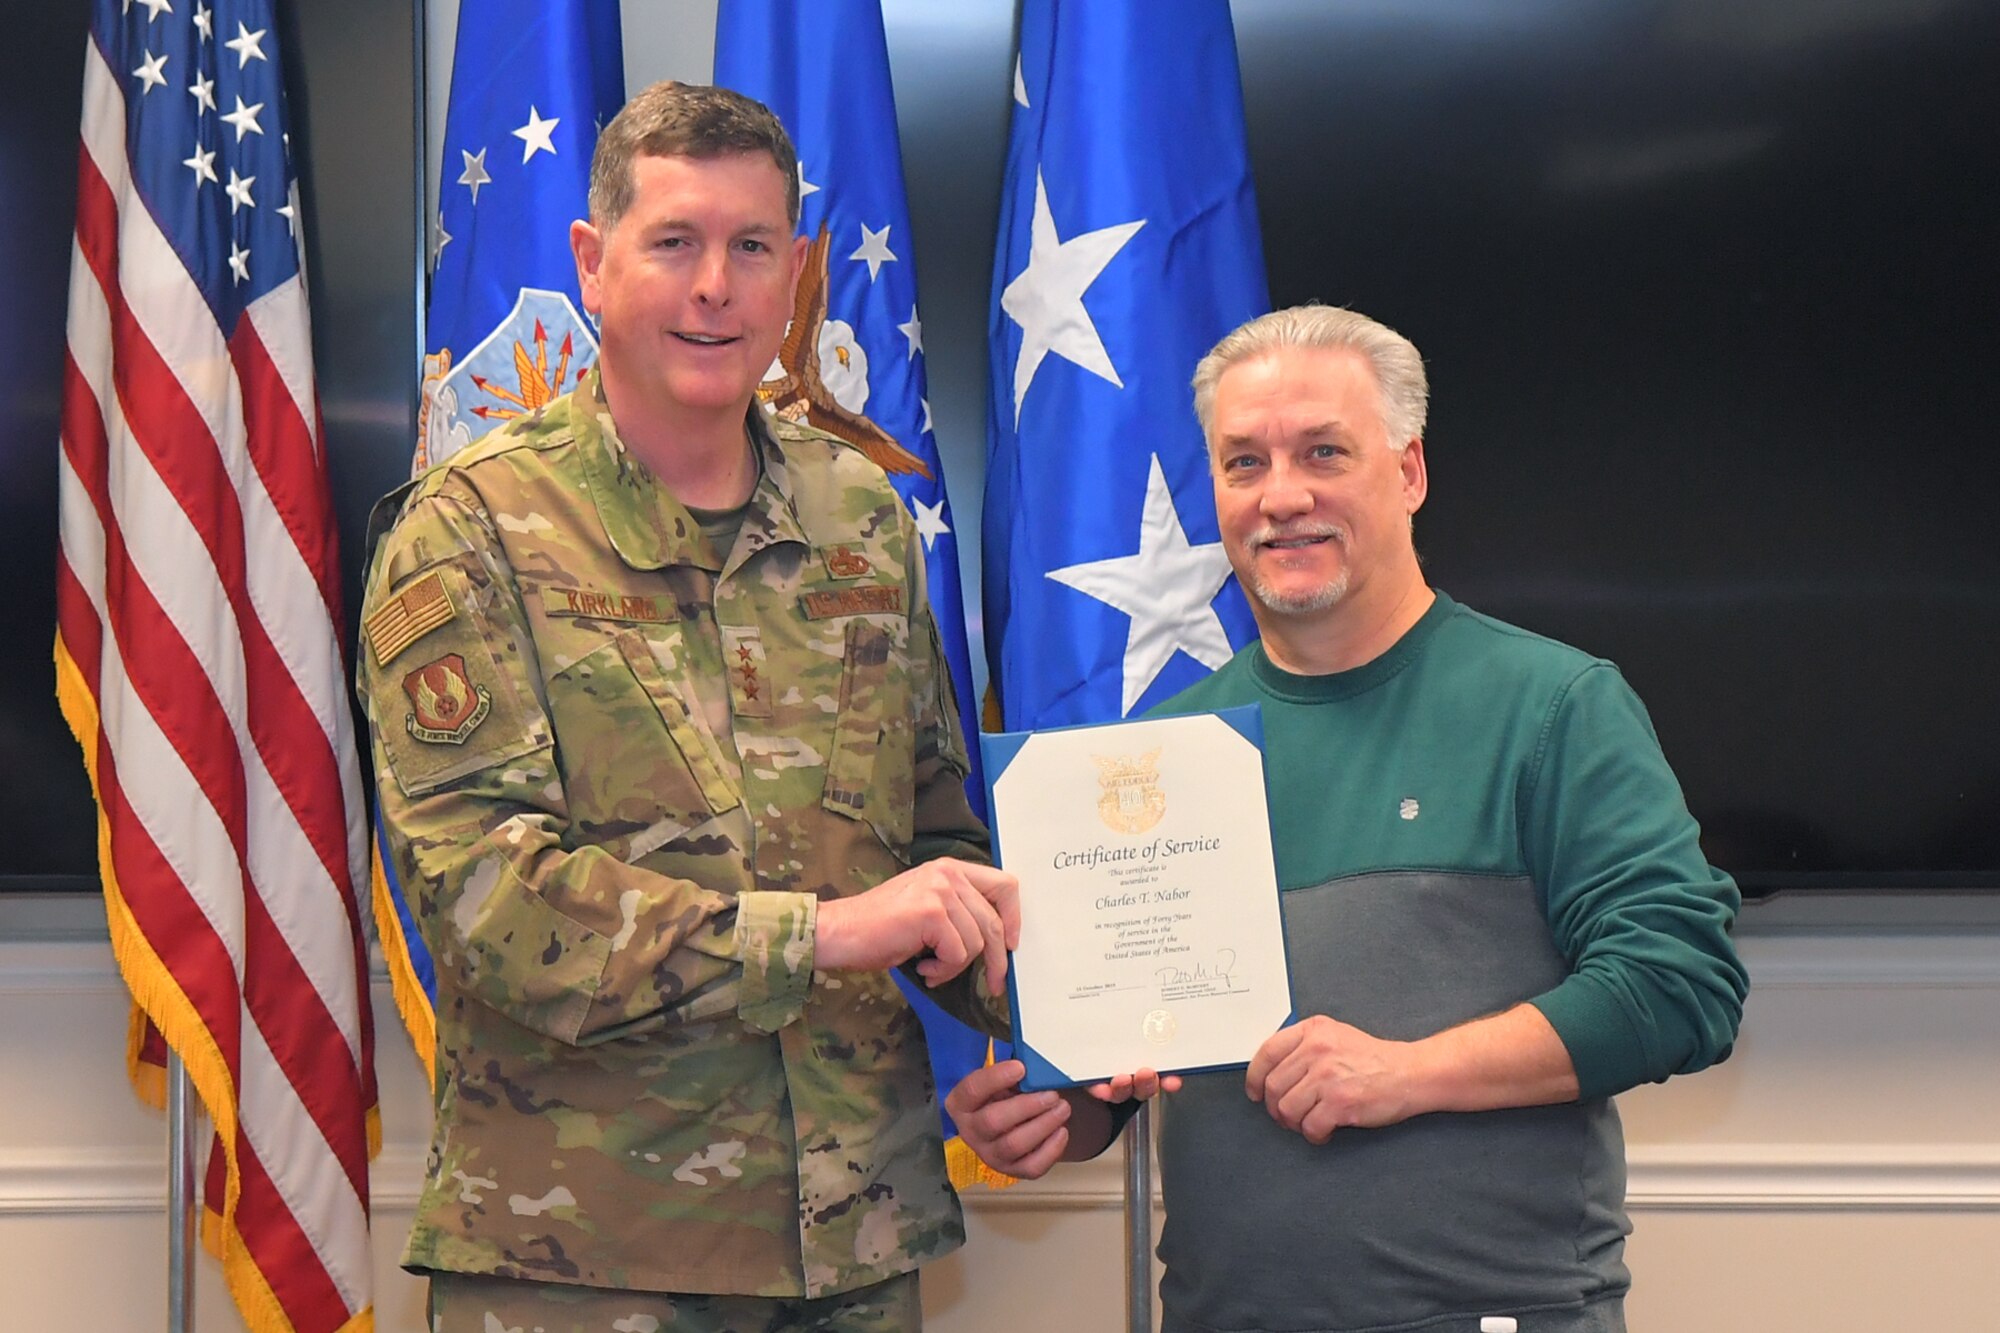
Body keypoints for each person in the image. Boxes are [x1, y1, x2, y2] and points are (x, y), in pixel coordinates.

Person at [947, 305, 1748, 1333]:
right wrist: (1046, 1113)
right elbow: (1123, 1067)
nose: (1282, 496)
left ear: (1407, 471)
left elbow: (1681, 986)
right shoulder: (1150, 757)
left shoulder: (1551, 705)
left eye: (1322, 452)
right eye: (1243, 463)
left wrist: (1405, 1072)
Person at [357, 82, 1015, 1333]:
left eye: (751, 246)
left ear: (796, 274)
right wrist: (815, 935)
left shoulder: (859, 517)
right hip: (587, 1257)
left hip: (854, 1247)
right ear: (592, 267)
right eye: (674, 242)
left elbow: (934, 832)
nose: (715, 285)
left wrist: (1058, 1021)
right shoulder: (469, 529)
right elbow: (486, 898)